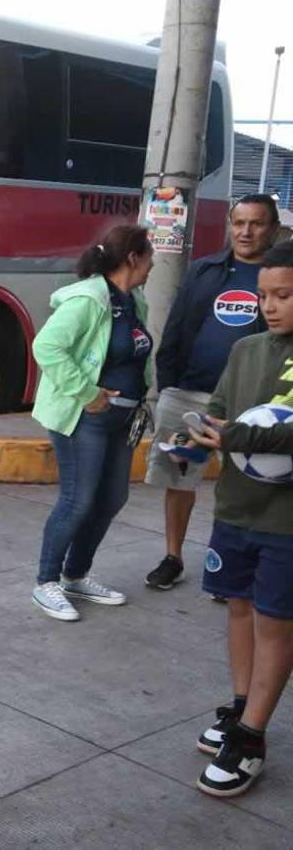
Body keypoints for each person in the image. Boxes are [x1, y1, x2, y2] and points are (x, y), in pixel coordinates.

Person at [183, 240, 293, 798]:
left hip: (286, 521)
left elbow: (270, 432)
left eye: (284, 295)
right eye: (264, 295)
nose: (270, 305)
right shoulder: (246, 349)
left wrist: (236, 436)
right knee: (240, 609)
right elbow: (221, 413)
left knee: (276, 622)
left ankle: (252, 737)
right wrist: (196, 436)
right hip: (236, 508)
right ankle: (241, 705)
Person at [143, 194, 278, 591]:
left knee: (246, 484)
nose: (246, 231)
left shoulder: (278, 277)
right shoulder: (204, 271)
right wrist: (168, 385)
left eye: (256, 223)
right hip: (190, 395)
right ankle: (173, 557)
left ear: (271, 229)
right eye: (239, 223)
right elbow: (177, 327)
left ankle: (235, 568)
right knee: (179, 478)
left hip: (250, 405)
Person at [30, 225, 154, 621]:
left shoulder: (135, 300)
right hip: (85, 418)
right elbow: (46, 346)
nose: (153, 265)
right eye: (150, 257)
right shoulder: (88, 299)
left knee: (112, 498)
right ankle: (46, 582)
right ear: (133, 258)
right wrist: (88, 393)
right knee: (77, 501)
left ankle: (75, 576)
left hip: (123, 419)